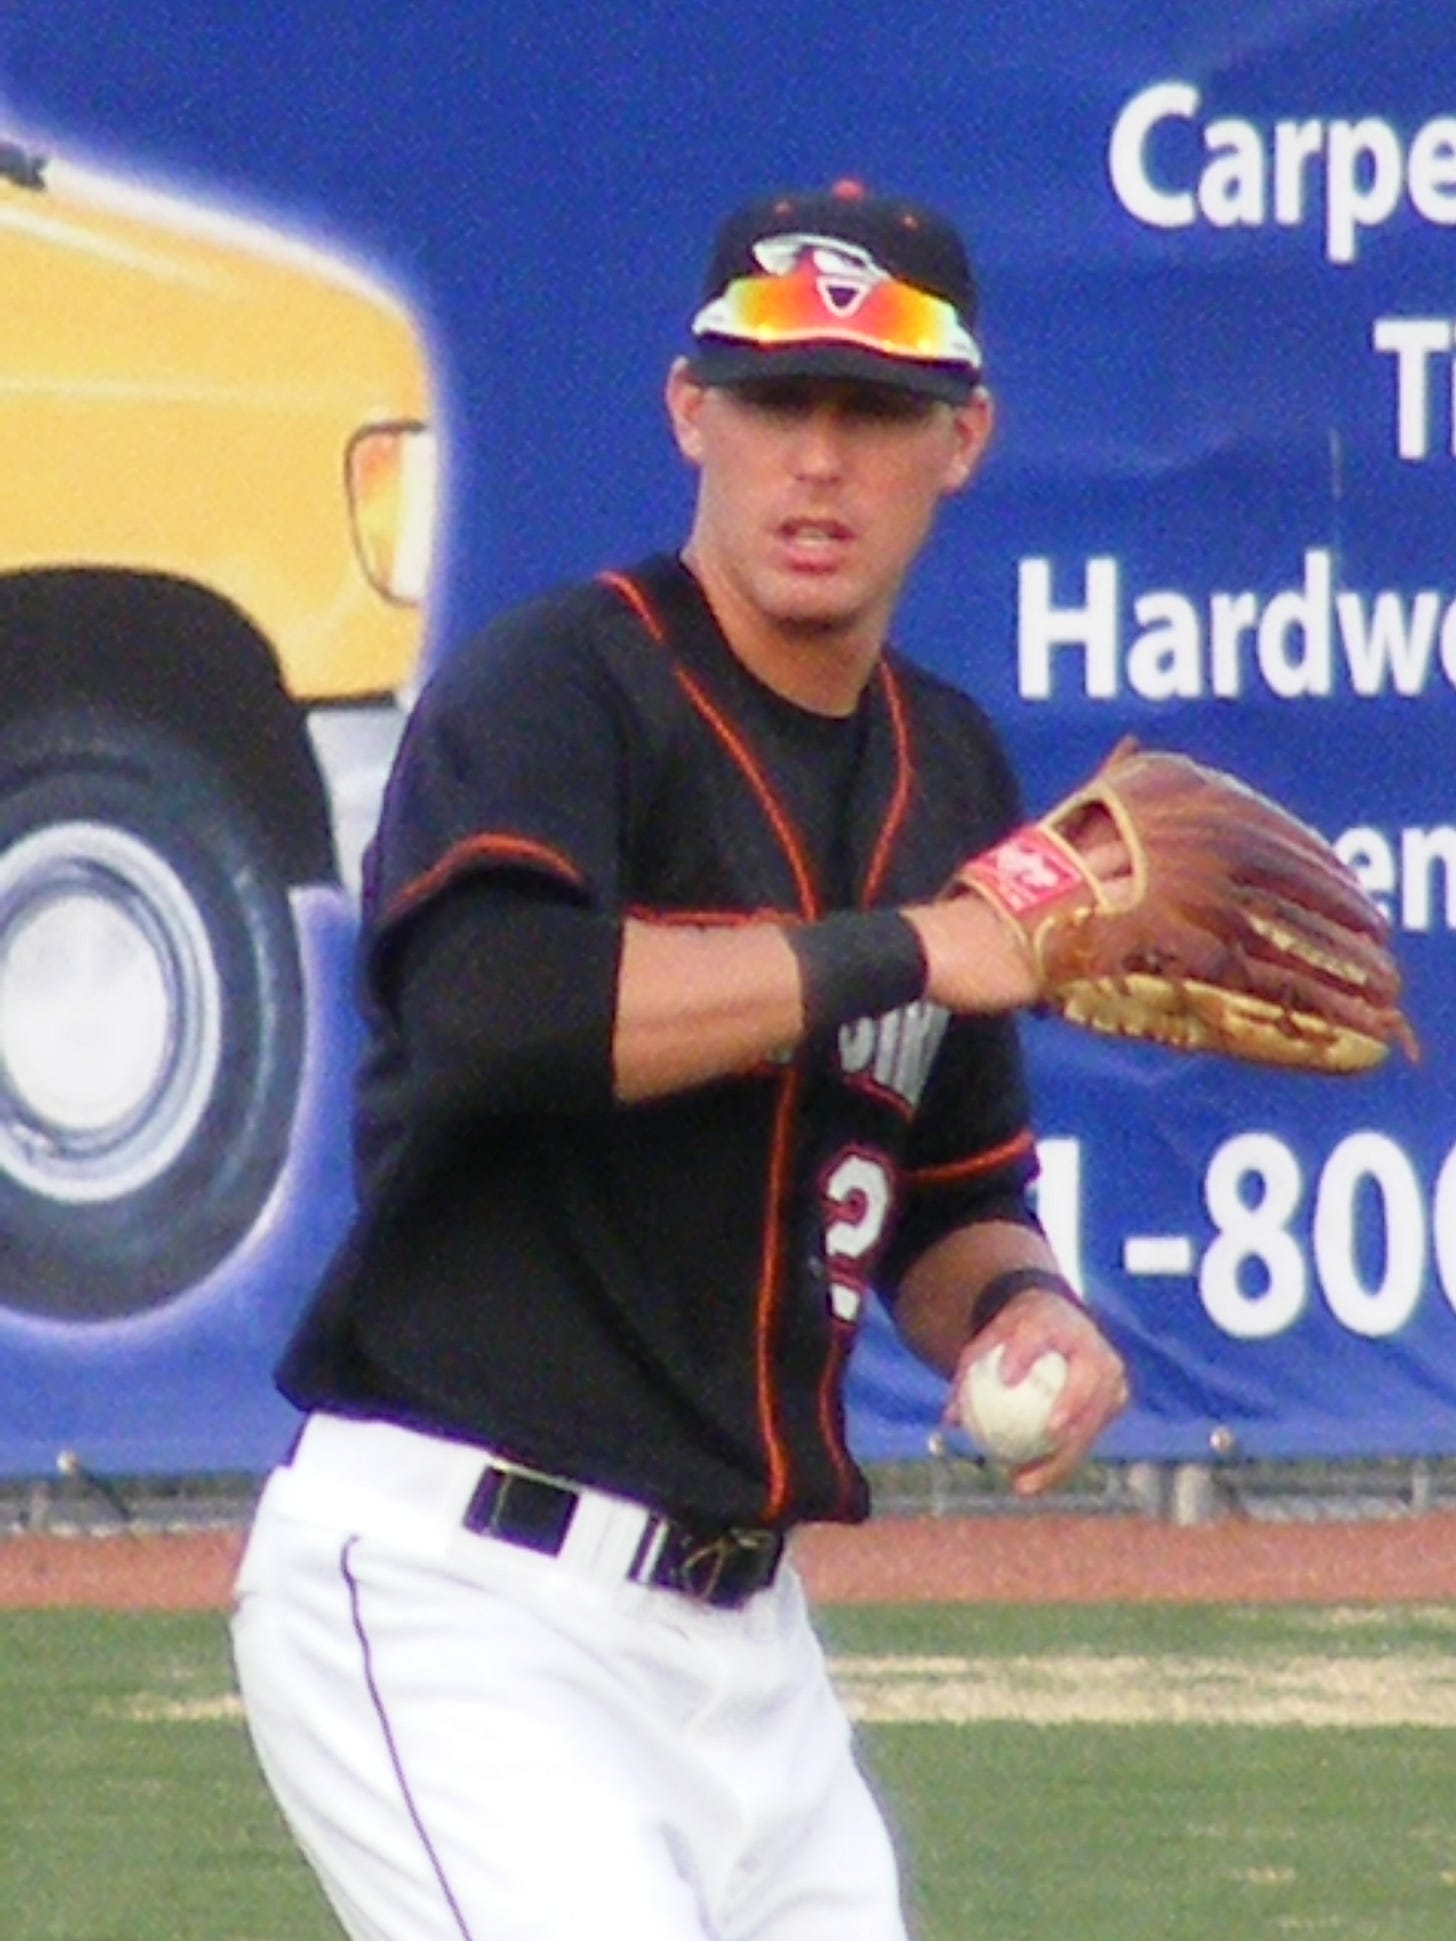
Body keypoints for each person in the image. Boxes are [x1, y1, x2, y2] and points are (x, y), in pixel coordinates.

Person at [231, 178, 1130, 1941]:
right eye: (776, 398)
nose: (818, 459)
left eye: (874, 411)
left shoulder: (944, 767)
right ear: (687, 412)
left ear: (963, 442)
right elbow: (495, 1012)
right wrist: (902, 946)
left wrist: (1027, 1301)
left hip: (747, 1652)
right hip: (459, 1588)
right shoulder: (563, 690)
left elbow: (949, 1191)